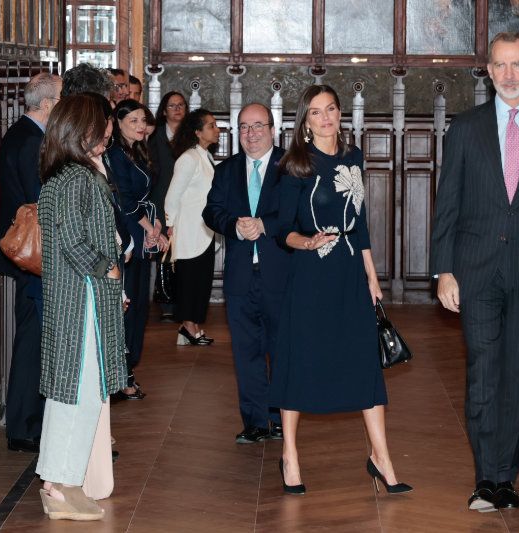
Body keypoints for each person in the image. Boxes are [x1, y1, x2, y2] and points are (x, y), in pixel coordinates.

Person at [430, 32, 519, 511]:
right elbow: (447, 204)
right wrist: (444, 271)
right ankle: (485, 477)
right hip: (476, 273)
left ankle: (506, 477)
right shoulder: (466, 128)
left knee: (518, 377)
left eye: (518, 65)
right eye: (500, 65)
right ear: (488, 71)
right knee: (484, 374)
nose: (509, 74)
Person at [270, 85, 411, 496]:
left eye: (331, 109)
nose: (326, 117)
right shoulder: (295, 163)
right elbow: (282, 230)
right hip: (313, 274)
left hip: (350, 269)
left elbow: (360, 219)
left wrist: (372, 275)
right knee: (302, 359)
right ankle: (290, 456)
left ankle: (381, 458)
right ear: (305, 121)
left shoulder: (354, 156)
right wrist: (308, 241)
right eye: (316, 112)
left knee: (364, 360)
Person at [35, 94, 126, 520]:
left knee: (72, 394)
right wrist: (107, 268)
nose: (108, 136)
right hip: (81, 301)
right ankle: (59, 485)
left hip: (76, 300)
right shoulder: (76, 177)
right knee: (78, 395)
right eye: (102, 130)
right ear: (80, 129)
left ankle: (60, 483)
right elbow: (73, 239)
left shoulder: (64, 175)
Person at [203, 103, 289, 443]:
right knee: (246, 350)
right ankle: (255, 421)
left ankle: (282, 417)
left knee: (281, 348)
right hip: (240, 275)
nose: (251, 134)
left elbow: (297, 215)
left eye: (257, 126)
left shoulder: (290, 166)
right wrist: (235, 226)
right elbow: (212, 211)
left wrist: (264, 225)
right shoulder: (227, 170)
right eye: (243, 127)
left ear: (272, 128)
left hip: (280, 274)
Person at [0, 72, 62, 453]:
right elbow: (40, 200)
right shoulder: (31, 140)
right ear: (48, 103)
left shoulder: (26, 134)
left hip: (31, 252)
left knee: (35, 338)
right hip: (32, 253)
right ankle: (23, 426)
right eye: (61, 100)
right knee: (32, 340)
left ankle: (29, 421)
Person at [108, 99, 167, 400]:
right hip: (128, 233)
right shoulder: (115, 154)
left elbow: (147, 195)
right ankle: (121, 374)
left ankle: (127, 369)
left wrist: (156, 227)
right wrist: (149, 228)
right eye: (133, 120)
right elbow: (126, 199)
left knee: (139, 305)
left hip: (142, 230)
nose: (141, 125)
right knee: (127, 305)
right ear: (117, 123)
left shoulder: (138, 150)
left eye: (143, 120)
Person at [166, 109, 220, 345]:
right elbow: (172, 196)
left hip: (204, 230)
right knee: (190, 280)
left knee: (201, 280)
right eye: (211, 126)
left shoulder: (204, 156)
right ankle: (188, 327)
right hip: (188, 230)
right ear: (197, 132)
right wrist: (169, 227)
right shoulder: (188, 158)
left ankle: (191, 326)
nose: (216, 129)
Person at [148, 91, 187, 322]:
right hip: (161, 197)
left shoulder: (191, 135)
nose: (177, 109)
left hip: (186, 200)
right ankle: (166, 304)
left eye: (181, 105)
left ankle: (184, 300)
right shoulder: (155, 136)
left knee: (184, 252)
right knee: (166, 252)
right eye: (172, 106)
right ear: (164, 111)